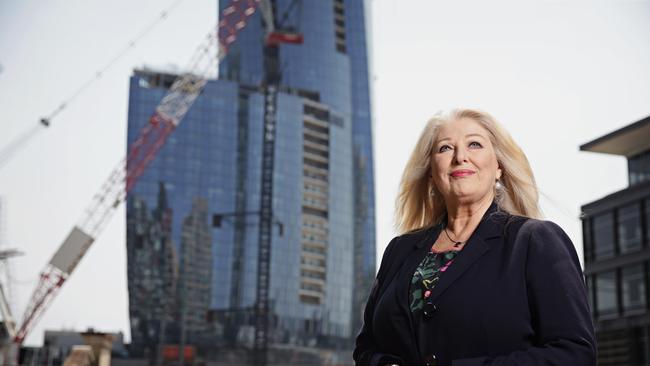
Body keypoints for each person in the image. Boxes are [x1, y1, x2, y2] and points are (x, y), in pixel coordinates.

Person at [353, 109, 596, 366]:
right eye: (445, 148)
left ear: (499, 167)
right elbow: (366, 347)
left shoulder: (536, 241)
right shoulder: (399, 251)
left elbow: (574, 354)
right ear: (431, 172)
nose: (460, 157)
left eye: (475, 144)